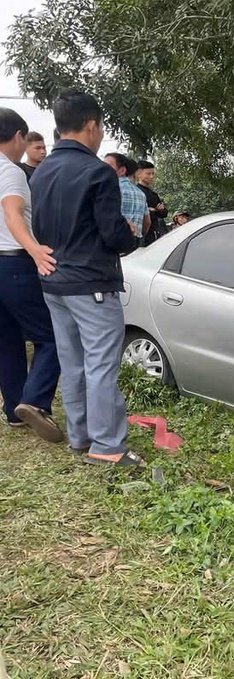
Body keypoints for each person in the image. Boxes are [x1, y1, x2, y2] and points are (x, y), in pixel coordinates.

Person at [30, 90, 144, 467]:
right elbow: (113, 236)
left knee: (72, 360)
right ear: (92, 126)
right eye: (101, 128)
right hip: (91, 283)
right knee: (100, 365)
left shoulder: (41, 170)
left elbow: (40, 225)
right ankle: (108, 445)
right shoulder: (97, 172)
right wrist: (129, 233)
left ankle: (80, 437)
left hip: (54, 281)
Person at [0, 108, 62, 442]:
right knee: (51, 335)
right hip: (13, 264)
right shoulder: (10, 172)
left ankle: (14, 412)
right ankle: (34, 402)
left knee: (6, 340)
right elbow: (12, 213)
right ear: (19, 137)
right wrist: (34, 248)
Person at [104, 153, 149, 241]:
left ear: (122, 170)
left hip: (113, 245)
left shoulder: (110, 189)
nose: (102, 168)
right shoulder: (141, 194)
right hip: (136, 243)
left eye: (107, 166)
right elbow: (147, 222)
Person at [136, 160, 167, 245]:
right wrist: (148, 210)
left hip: (154, 234)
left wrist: (159, 210)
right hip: (139, 235)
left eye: (153, 174)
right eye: (148, 174)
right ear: (139, 174)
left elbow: (164, 213)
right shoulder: (135, 192)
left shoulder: (154, 194)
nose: (151, 176)